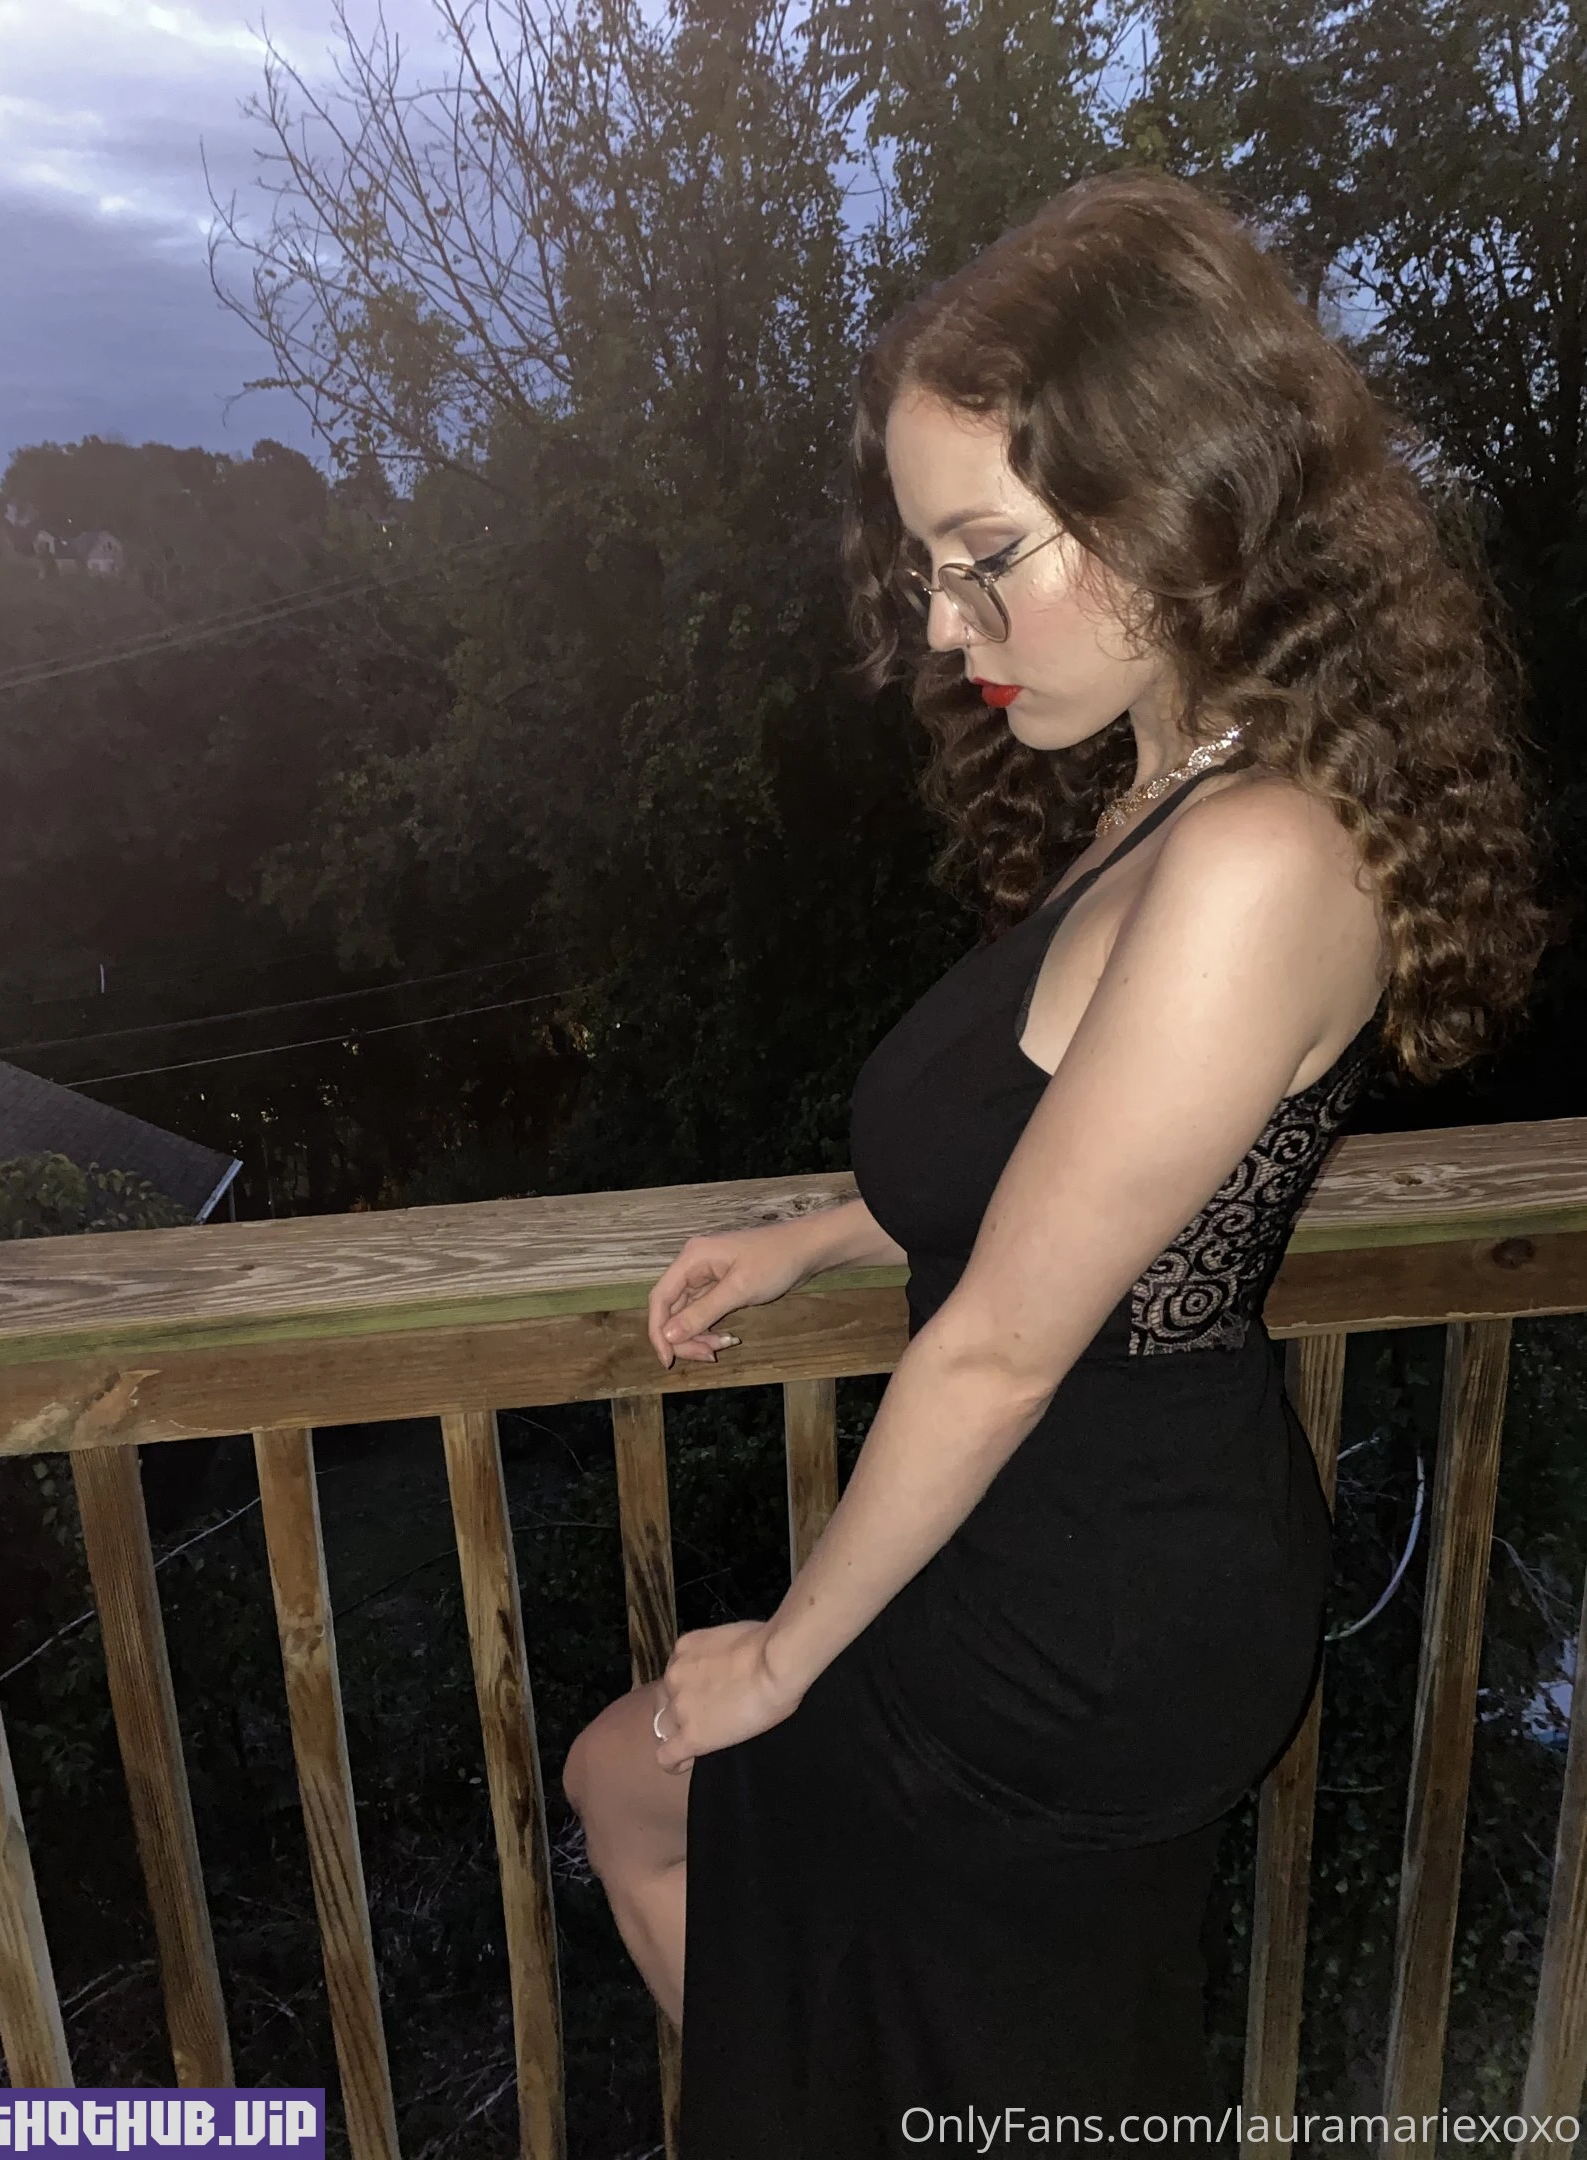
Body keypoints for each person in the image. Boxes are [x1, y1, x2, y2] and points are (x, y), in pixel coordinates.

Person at [561, 167, 1550, 2155]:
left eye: (984, 557)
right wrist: (825, 1229)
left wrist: (788, 1656)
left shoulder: (1259, 857)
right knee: (925, 2004)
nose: (945, 627)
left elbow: (1008, 1343)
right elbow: (1072, 1155)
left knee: (678, 1809)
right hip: (1062, 1538)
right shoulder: (1170, 791)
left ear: (1176, 494)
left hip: (1089, 1598)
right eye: (931, 568)